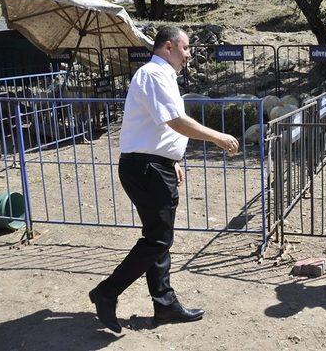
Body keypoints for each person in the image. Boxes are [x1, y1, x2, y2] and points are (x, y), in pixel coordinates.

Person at [89, 26, 239, 332]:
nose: (188, 54)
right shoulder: (154, 75)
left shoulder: (161, 76)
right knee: (158, 239)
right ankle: (106, 292)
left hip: (154, 166)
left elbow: (160, 127)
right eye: (185, 48)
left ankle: (165, 305)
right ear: (168, 46)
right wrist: (218, 137)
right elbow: (175, 120)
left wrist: (174, 159)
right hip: (146, 168)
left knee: (158, 236)